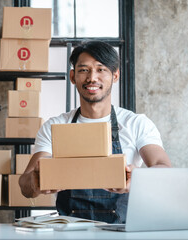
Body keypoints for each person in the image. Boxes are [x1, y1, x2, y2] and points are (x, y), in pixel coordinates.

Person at [19, 40, 171, 223]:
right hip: (70, 232)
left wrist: (138, 177)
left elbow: (164, 169)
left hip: (124, 232)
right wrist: (37, 182)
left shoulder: (136, 123)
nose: (92, 78)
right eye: (84, 70)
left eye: (101, 69)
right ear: (73, 76)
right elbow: (25, 185)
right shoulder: (55, 126)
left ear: (115, 75)